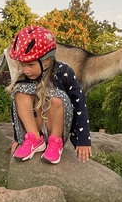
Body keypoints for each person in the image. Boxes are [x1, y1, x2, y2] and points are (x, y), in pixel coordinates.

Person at [8, 25, 92, 164]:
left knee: (55, 98)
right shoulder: (26, 77)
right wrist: (18, 138)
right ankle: (33, 139)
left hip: (56, 125)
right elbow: (16, 108)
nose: (26, 70)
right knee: (20, 93)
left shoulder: (64, 72)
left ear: (46, 61)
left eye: (30, 65)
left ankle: (55, 143)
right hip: (37, 126)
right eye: (22, 65)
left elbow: (79, 103)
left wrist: (83, 140)